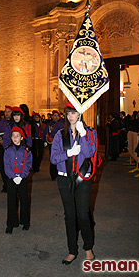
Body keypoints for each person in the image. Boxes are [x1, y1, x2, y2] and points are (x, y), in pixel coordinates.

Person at [50, 102, 97, 264]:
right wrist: (68, 153)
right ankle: (72, 250)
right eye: (68, 113)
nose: (71, 116)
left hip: (82, 178)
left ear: (80, 114)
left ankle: (88, 248)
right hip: (64, 178)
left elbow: (90, 152)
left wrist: (83, 136)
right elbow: (53, 158)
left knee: (83, 214)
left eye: (74, 113)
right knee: (70, 215)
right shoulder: (59, 135)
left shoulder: (89, 132)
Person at [4, 126, 32, 234]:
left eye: (17, 136)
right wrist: (13, 176)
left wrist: (22, 175)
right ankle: (11, 223)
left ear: (21, 138)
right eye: (13, 136)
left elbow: (28, 164)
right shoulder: (7, 150)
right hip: (11, 178)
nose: (15, 138)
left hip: (22, 178)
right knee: (11, 201)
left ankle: (25, 222)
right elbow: (6, 165)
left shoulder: (26, 151)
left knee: (24, 199)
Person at [0, 105, 12, 192]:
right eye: (6, 111)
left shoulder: (14, 122)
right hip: (2, 148)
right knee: (2, 166)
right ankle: (6, 184)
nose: (7, 113)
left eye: (9, 111)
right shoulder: (0, 123)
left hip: (11, 148)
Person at [48, 110, 65, 180]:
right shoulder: (58, 124)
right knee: (55, 158)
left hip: (65, 144)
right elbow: (52, 133)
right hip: (58, 143)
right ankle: (54, 174)